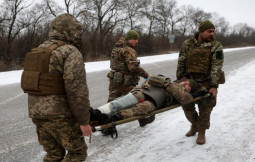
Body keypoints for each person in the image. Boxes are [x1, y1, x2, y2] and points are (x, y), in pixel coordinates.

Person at [21, 13, 92, 161]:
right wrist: (84, 121)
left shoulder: (37, 50)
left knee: (53, 155)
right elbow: (76, 90)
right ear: (69, 31)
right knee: (77, 153)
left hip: (37, 114)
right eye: (77, 30)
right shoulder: (70, 52)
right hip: (60, 115)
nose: (79, 34)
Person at [176, 20, 224, 145]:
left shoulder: (216, 46)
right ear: (201, 32)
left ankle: (201, 132)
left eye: (213, 31)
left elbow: (216, 66)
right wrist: (180, 80)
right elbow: (181, 61)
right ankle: (194, 125)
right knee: (187, 106)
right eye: (209, 31)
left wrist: (214, 85)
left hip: (206, 82)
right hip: (189, 82)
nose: (212, 34)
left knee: (205, 109)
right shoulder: (188, 44)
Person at [90, 74, 198, 127]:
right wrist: (171, 85)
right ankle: (96, 113)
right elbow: (152, 79)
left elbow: (185, 99)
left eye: (189, 86)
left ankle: (112, 118)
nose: (185, 84)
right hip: (144, 93)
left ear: (190, 90)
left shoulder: (185, 95)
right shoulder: (171, 83)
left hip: (154, 103)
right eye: (186, 82)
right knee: (119, 103)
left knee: (142, 108)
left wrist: (168, 85)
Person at [106, 30, 150, 128]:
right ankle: (143, 120)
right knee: (136, 99)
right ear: (129, 39)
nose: (137, 41)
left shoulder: (116, 48)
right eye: (135, 39)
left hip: (114, 79)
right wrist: (146, 75)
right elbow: (133, 67)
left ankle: (107, 125)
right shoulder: (129, 50)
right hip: (126, 82)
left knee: (111, 103)